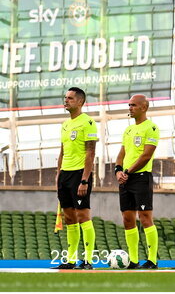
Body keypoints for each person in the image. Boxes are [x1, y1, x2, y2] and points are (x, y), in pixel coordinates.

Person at [115, 94, 160, 269]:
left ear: (144, 107)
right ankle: (133, 260)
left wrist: (127, 171)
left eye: (133, 105)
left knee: (145, 217)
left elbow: (146, 156)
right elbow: (121, 153)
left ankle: (152, 260)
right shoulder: (128, 130)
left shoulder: (152, 128)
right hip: (125, 179)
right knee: (127, 218)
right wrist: (118, 171)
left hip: (141, 177)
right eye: (129, 105)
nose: (130, 108)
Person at [56, 87, 98, 270]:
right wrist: (58, 174)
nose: (66, 100)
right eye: (65, 98)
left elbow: (90, 152)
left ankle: (88, 260)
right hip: (65, 174)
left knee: (82, 216)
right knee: (69, 218)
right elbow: (62, 151)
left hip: (80, 174)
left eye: (70, 98)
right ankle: (71, 260)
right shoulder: (65, 124)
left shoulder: (88, 123)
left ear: (80, 102)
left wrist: (84, 180)